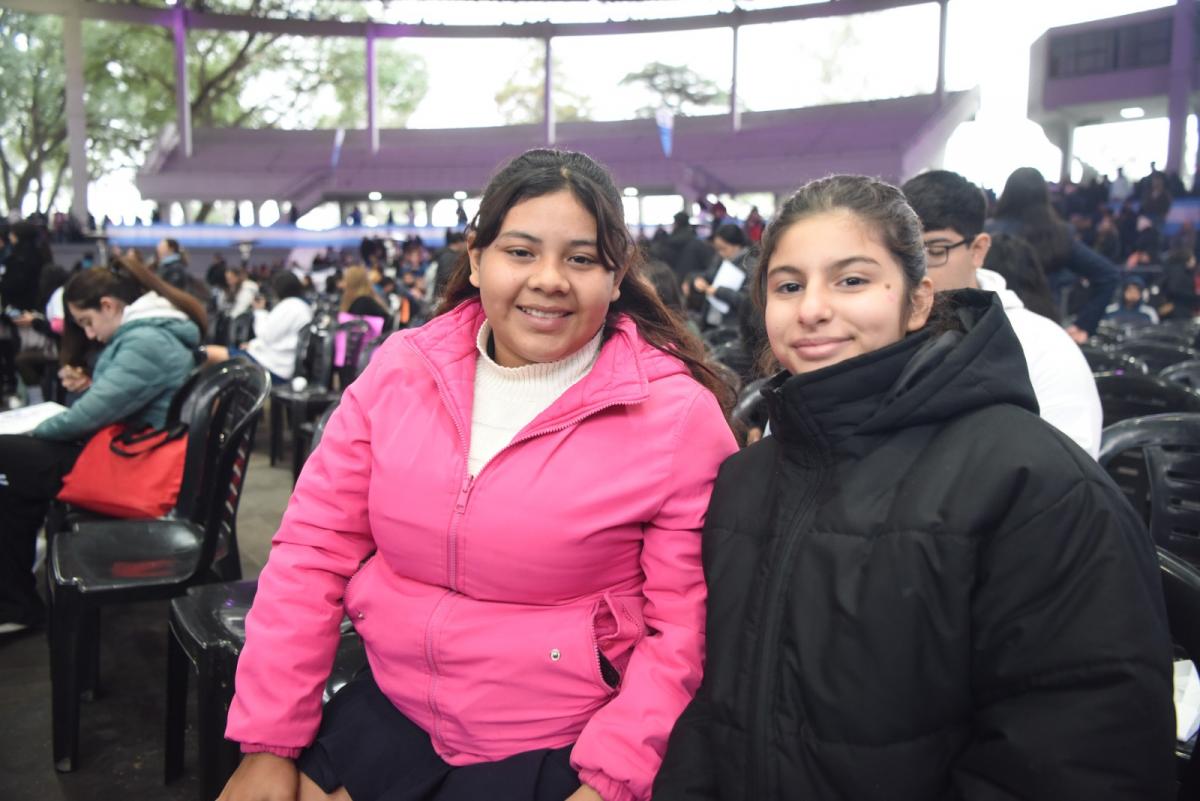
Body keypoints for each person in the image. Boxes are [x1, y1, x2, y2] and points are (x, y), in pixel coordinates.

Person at [218, 149, 737, 801]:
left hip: (563, 745)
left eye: (580, 258)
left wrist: (613, 779)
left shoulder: (676, 415)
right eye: (520, 251)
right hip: (389, 710)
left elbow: (683, 634)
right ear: (476, 257)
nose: (549, 279)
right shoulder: (401, 370)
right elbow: (312, 554)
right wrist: (268, 742)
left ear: (616, 273)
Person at [653, 174, 1174, 801]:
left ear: (918, 299)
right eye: (788, 285)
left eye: (852, 280)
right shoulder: (745, 479)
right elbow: (717, 714)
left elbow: (1084, 749)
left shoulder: (1031, 480)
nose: (813, 308)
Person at [0, 254, 205, 633]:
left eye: (87, 323)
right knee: (15, 471)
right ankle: (15, 596)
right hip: (133, 448)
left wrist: (31, 429)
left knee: (11, 458)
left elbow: (84, 418)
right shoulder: (154, 333)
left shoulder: (146, 341)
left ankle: (16, 600)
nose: (90, 335)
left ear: (109, 305)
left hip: (133, 460)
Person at [903, 170, 1102, 458]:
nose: (918, 273)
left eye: (934, 251)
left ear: (978, 249)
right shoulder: (883, 332)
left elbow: (1068, 470)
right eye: (906, 255)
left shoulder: (1040, 345)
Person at [988, 167, 1118, 342]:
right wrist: (1084, 325)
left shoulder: (988, 232)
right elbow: (1108, 274)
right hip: (1045, 330)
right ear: (1044, 196)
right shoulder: (1060, 235)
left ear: (1008, 193)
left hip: (992, 328)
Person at [206, 271, 312, 383]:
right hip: (274, 363)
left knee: (208, 353)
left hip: (273, 367)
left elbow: (266, 334)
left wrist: (260, 311)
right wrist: (252, 345)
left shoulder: (291, 306)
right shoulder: (300, 306)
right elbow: (279, 339)